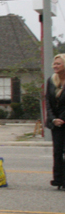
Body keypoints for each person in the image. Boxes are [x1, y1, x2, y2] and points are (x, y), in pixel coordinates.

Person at [45, 54, 65, 189]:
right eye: (54, 63)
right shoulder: (51, 80)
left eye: (58, 63)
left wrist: (62, 119)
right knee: (57, 151)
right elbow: (48, 101)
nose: (55, 66)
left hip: (64, 120)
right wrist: (53, 119)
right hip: (56, 123)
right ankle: (58, 179)